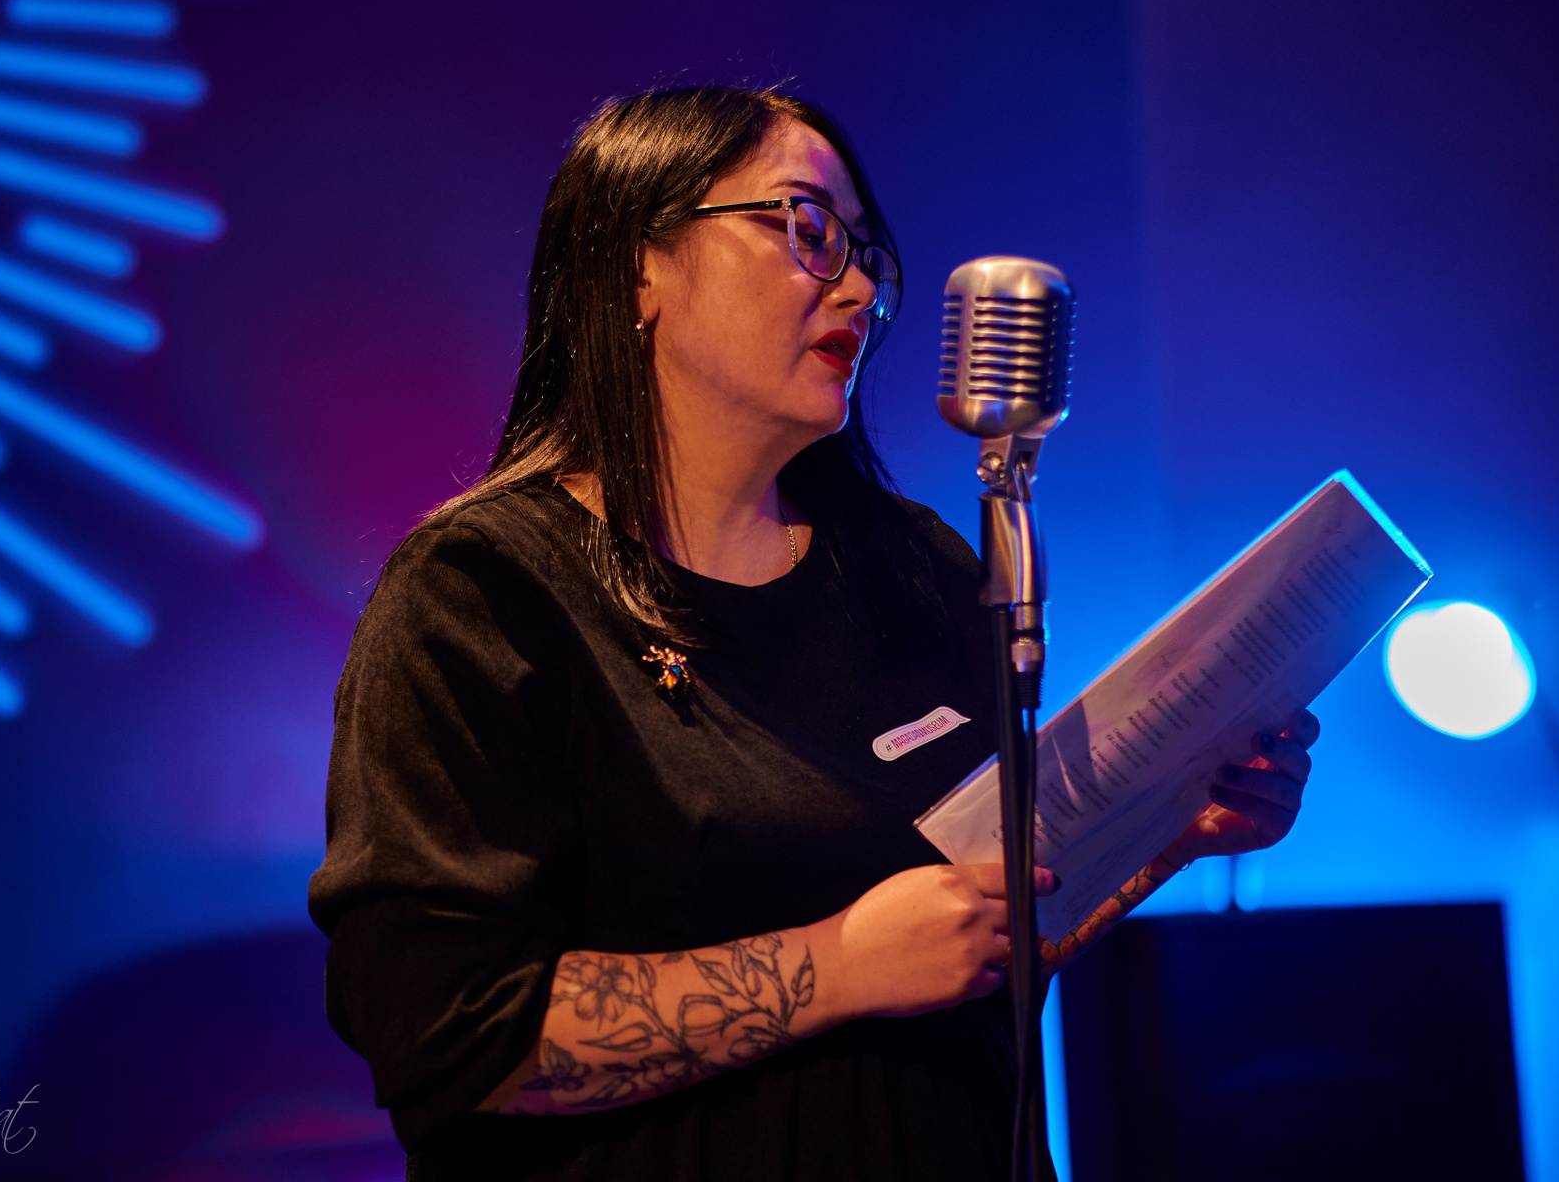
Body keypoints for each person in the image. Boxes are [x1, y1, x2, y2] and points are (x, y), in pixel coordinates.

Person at [306, 85, 1317, 1182]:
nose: (861, 289)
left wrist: (1172, 831)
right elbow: (449, 1030)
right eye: (805, 228)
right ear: (640, 269)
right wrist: (839, 966)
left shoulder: (916, 568)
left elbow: (981, 948)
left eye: (864, 252)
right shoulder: (485, 590)